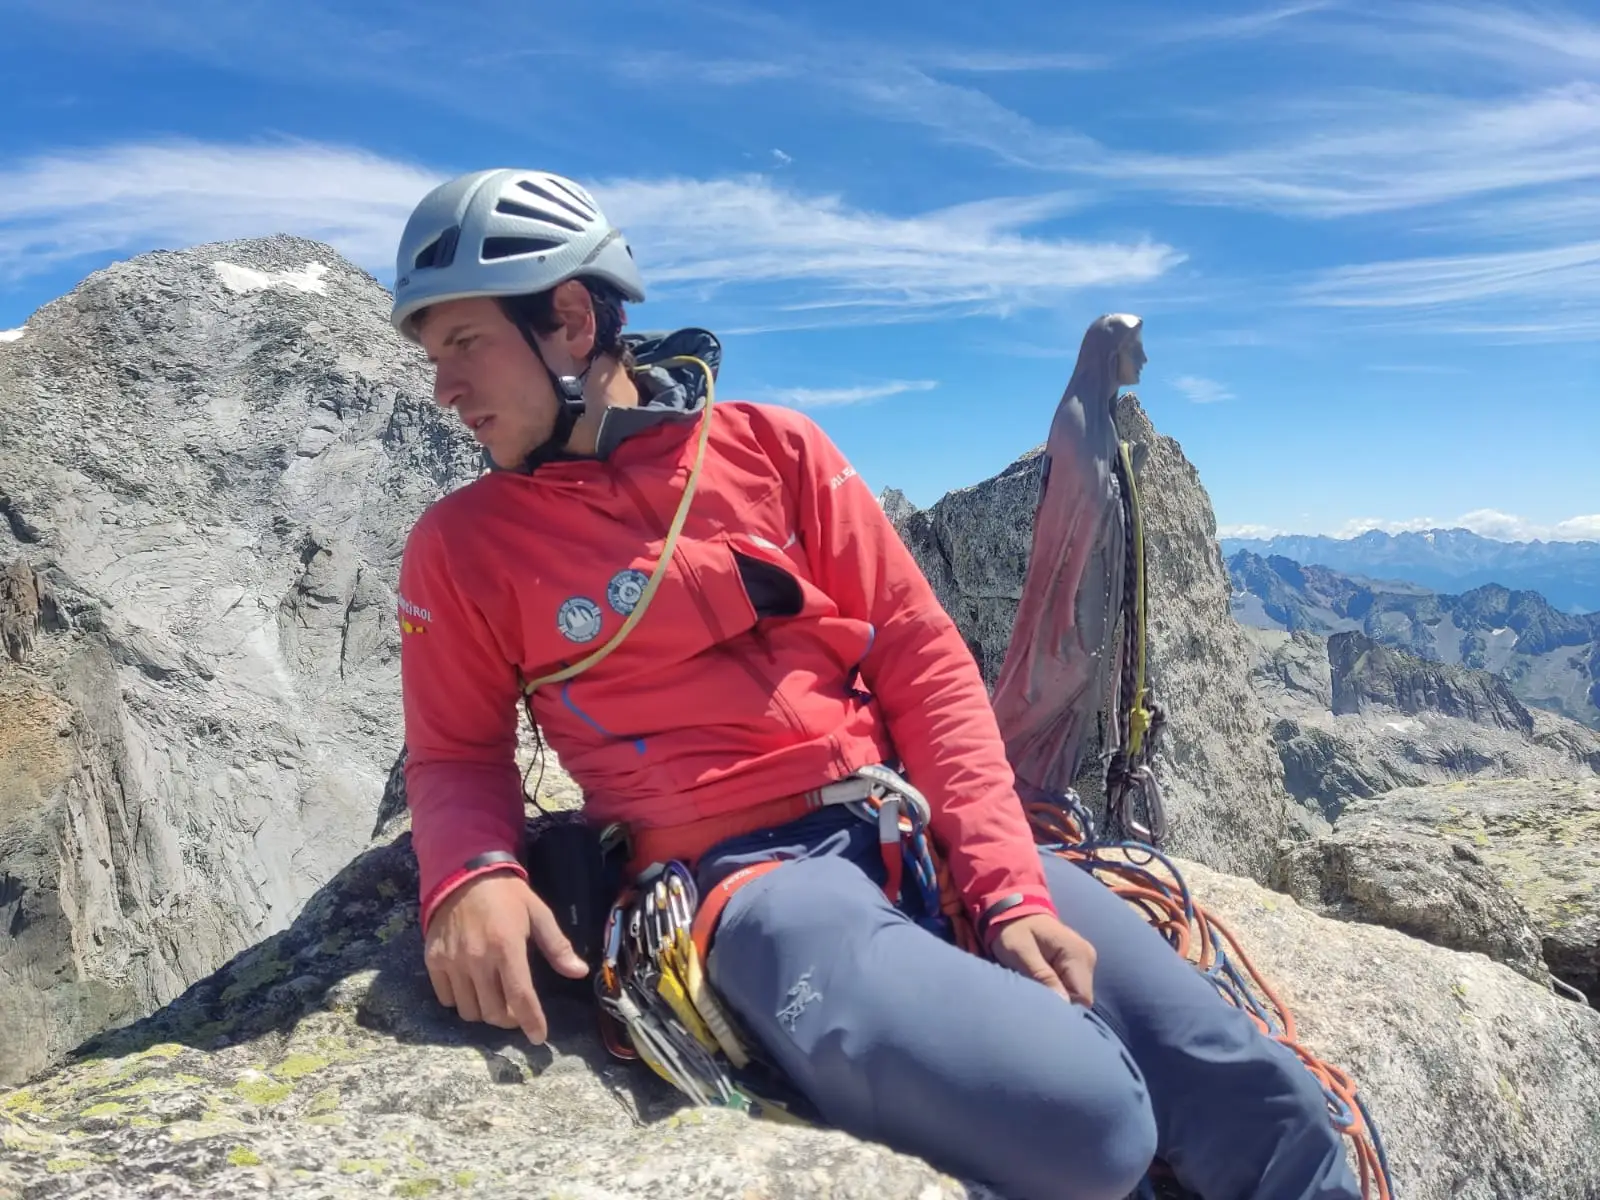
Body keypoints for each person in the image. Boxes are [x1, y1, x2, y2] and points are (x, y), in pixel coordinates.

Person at [390, 167, 1362, 1200]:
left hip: (910, 833)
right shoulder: (462, 547)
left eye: (464, 345)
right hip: (750, 893)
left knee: (1269, 1106)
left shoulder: (775, 451)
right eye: (433, 355)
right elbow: (456, 749)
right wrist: (471, 875)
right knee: (1091, 1126)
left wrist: (1006, 886)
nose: (444, 388)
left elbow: (921, 660)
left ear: (573, 320)